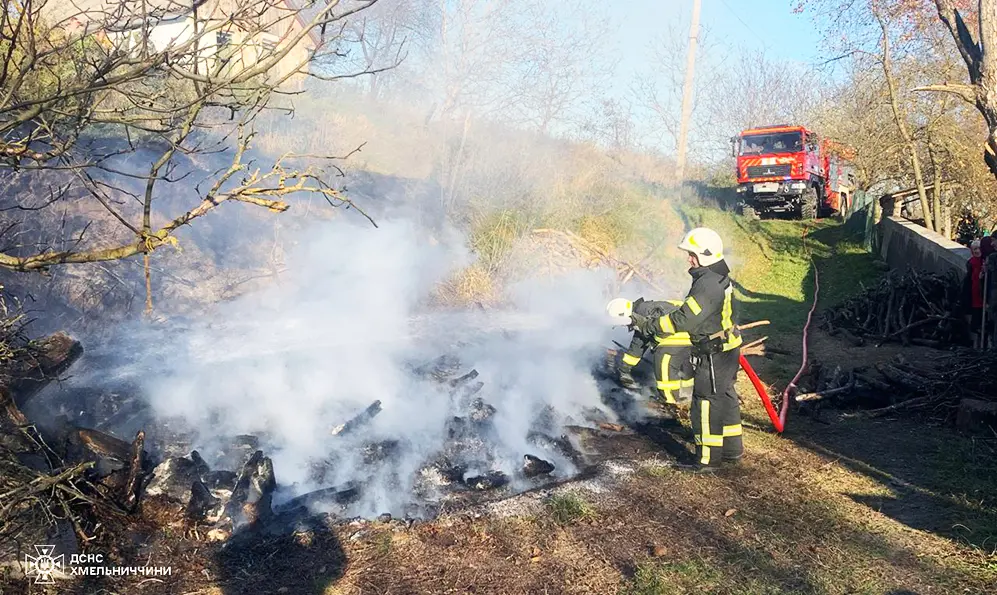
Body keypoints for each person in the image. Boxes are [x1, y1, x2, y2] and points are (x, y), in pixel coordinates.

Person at [629, 227, 744, 472]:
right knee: (725, 395)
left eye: (692, 254)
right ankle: (732, 450)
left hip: (714, 352)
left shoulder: (707, 285)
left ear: (705, 254)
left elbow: (683, 320)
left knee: (705, 402)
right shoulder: (717, 274)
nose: (689, 259)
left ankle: (707, 459)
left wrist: (650, 326)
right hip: (727, 347)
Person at [608, 297, 694, 407]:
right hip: (690, 336)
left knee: (663, 365)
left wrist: (656, 339)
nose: (624, 326)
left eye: (622, 323)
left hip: (676, 337)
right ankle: (688, 395)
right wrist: (625, 368)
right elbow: (638, 344)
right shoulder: (643, 310)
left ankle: (670, 402)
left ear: (623, 315)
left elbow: (666, 324)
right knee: (684, 367)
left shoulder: (644, 311)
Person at [964, 239, 985, 348]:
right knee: (974, 325)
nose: (977, 251)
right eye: (975, 249)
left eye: (979, 248)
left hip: (983, 300)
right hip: (973, 297)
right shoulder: (971, 263)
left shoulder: (985, 262)